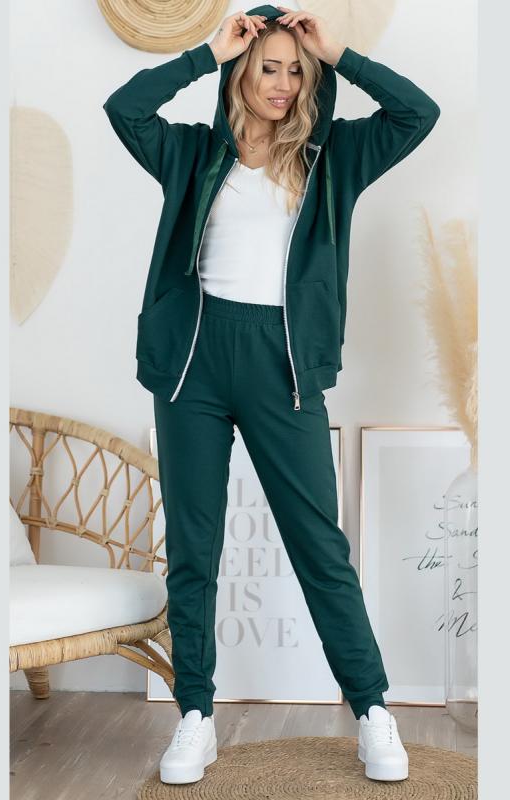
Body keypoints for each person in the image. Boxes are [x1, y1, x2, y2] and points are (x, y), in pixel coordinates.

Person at [103, 3, 440, 786]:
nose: (283, 84)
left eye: (296, 70)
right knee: (194, 549)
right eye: (268, 67)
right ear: (240, 72)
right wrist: (205, 51)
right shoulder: (191, 154)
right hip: (190, 367)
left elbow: (416, 113)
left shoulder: (334, 156)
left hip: (282, 369)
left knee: (320, 547)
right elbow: (123, 109)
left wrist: (339, 53)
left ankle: (371, 710)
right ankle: (195, 716)